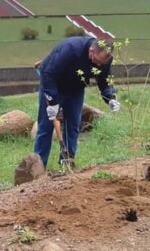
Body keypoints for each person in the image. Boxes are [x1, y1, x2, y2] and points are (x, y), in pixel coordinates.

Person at [33, 36, 119, 168]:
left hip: (76, 90)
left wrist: (110, 98)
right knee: (46, 127)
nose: (98, 65)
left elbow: (104, 80)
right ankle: (38, 166)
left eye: (102, 63)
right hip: (54, 85)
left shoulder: (104, 60)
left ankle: (67, 163)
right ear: (91, 50)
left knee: (73, 126)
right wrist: (52, 101)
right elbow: (48, 73)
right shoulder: (71, 49)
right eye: (96, 60)